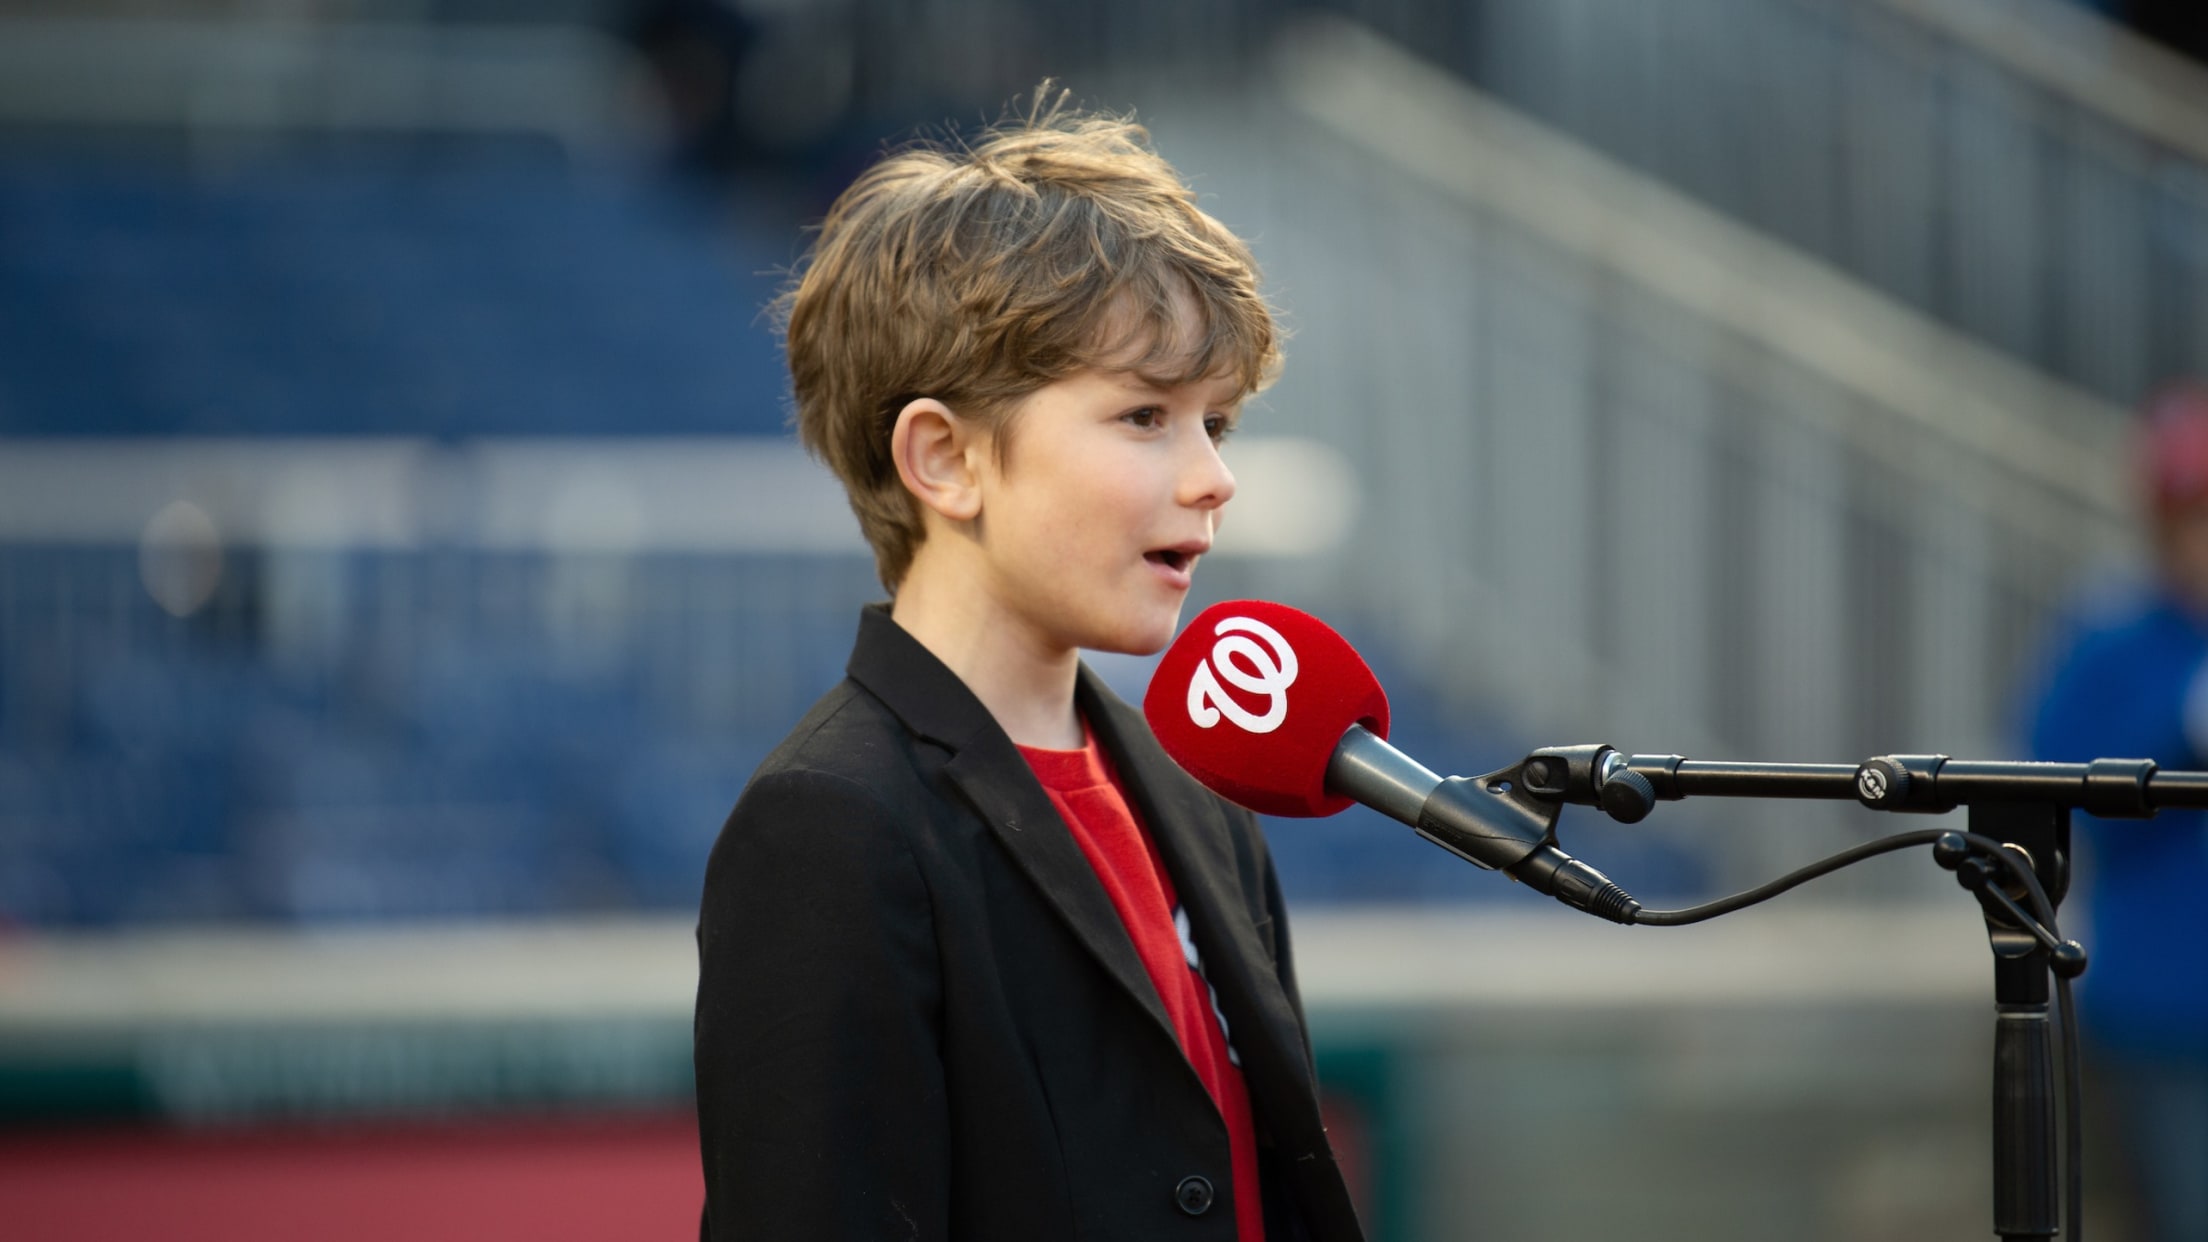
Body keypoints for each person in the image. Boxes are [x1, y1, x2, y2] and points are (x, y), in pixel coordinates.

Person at [692, 92, 1366, 1241]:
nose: (1213, 478)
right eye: (1147, 416)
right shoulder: (831, 825)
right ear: (944, 458)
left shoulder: (1206, 799)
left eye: (1221, 424)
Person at [2026, 382, 2208, 1242]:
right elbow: (2049, 810)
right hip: (2168, 1018)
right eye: (2195, 516)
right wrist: (2179, 729)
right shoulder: (2111, 644)